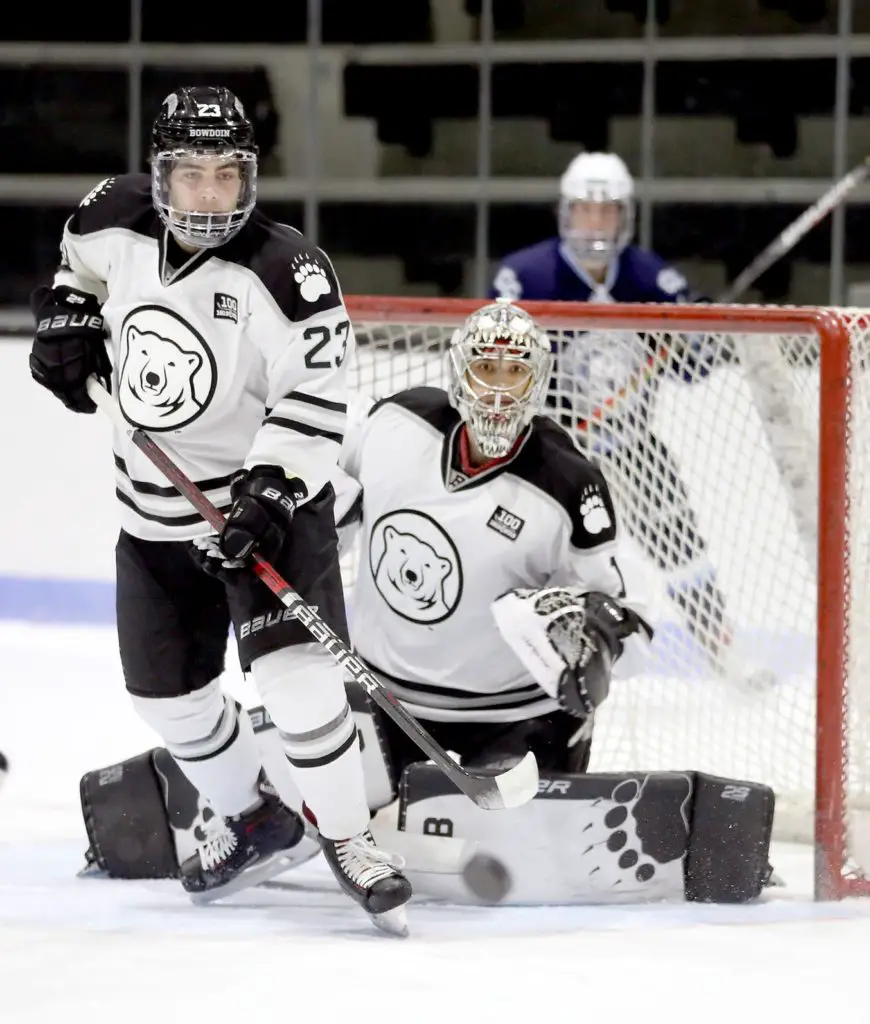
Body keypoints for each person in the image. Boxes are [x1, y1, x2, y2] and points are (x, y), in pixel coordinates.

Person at [28, 85, 411, 936]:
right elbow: (77, 269)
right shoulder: (111, 215)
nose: (210, 194)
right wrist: (67, 314)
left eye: (227, 175)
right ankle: (257, 815)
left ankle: (351, 836)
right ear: (160, 174)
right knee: (165, 697)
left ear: (250, 177)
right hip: (153, 512)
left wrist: (269, 491)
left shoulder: (289, 272)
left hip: (264, 505)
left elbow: (314, 399)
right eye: (192, 174)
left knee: (299, 683)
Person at [337, 299, 653, 789]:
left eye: (515, 372)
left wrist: (602, 643)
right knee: (318, 811)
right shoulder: (396, 425)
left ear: (539, 380)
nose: (499, 390)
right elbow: (321, 484)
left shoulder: (568, 483)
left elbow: (621, 599)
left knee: (500, 856)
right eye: (486, 368)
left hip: (516, 717)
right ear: (458, 370)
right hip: (385, 699)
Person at [490, 151, 759, 686]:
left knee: (683, 546)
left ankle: (723, 652)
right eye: (585, 211)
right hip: (549, 448)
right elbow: (498, 365)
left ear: (624, 217)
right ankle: (516, 661)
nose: (595, 223)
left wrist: (698, 332)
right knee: (523, 553)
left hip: (632, 443)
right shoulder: (525, 276)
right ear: (565, 213)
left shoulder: (652, 277)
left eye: (606, 212)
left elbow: (691, 367)